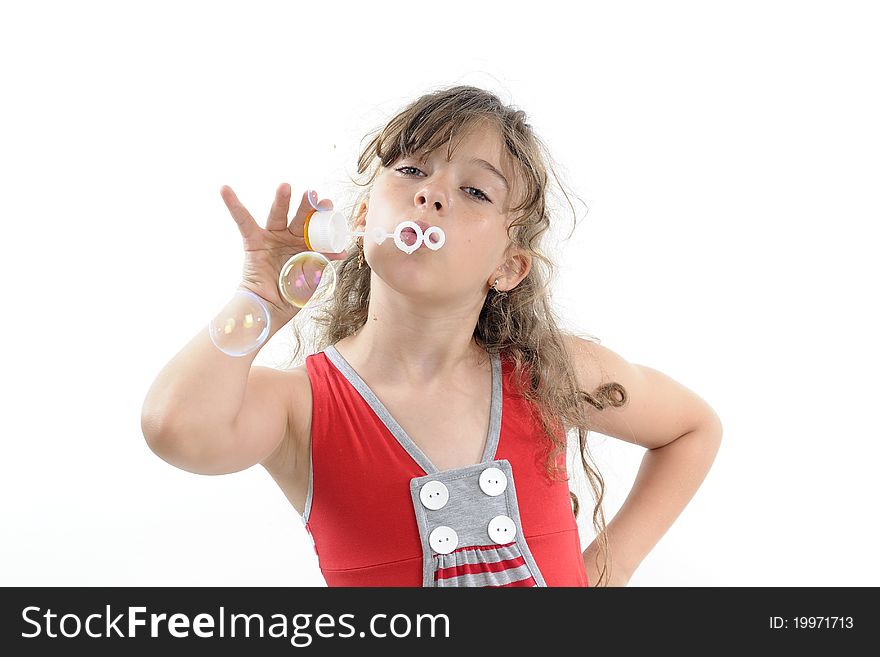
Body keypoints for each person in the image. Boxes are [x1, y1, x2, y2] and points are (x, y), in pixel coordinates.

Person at [141, 85, 723, 587]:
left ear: (508, 267)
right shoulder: (303, 405)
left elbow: (692, 429)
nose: (431, 194)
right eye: (412, 170)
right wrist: (261, 302)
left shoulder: (547, 372)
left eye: (475, 191)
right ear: (363, 216)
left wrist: (605, 574)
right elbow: (176, 429)